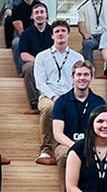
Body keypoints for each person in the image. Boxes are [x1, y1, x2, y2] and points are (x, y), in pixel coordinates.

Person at [50, 61, 106, 192]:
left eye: (86, 74)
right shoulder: (62, 101)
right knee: (64, 154)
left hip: (94, 144)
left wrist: (90, 147)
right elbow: (57, 133)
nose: (82, 78)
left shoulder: (99, 102)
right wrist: (76, 147)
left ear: (92, 78)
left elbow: (104, 130)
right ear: (72, 78)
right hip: (67, 144)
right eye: (79, 75)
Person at [33, 20, 83, 164]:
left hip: (71, 95)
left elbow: (79, 80)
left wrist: (67, 97)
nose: (60, 34)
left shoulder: (77, 57)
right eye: (57, 32)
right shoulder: (42, 56)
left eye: (63, 31)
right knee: (49, 108)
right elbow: (40, 82)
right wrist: (54, 97)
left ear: (68, 34)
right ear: (52, 36)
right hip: (48, 96)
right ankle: (46, 149)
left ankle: (72, 145)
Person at [19, 2, 52, 110]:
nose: (39, 15)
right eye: (36, 13)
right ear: (32, 16)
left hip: (51, 63)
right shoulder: (26, 34)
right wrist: (40, 62)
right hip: (32, 62)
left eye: (42, 12)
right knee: (28, 68)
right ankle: (34, 102)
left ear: (46, 15)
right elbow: (24, 55)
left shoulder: (53, 31)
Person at [10, 0, 40, 76]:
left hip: (39, 34)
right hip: (23, 35)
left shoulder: (40, 7)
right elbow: (19, 28)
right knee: (16, 43)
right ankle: (21, 71)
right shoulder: (17, 9)